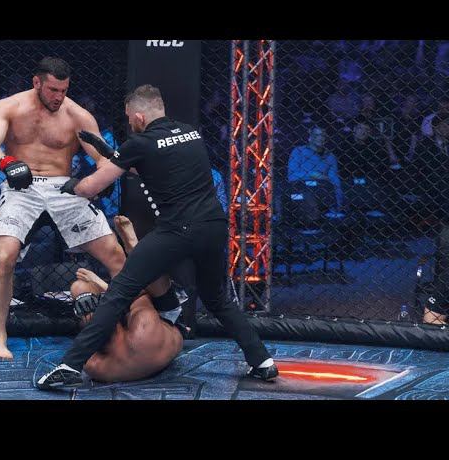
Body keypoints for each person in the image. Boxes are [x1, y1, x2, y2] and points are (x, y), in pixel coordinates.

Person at [37, 84, 277, 390]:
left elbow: (91, 188)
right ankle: (262, 361)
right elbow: (153, 167)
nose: (130, 123)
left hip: (177, 229)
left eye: (129, 118)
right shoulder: (190, 133)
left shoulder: (140, 142)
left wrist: (71, 185)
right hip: (214, 226)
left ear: (139, 116)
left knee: (119, 292)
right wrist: (111, 153)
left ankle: (70, 365)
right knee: (217, 298)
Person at [0, 57, 126, 360]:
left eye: (64, 90)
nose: (59, 97)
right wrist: (6, 163)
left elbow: (104, 159)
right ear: (37, 83)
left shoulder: (78, 116)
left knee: (115, 255)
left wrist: (96, 182)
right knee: (4, 255)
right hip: (22, 187)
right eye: (53, 90)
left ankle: (130, 323)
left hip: (64, 187)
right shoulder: (10, 107)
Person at [70, 215, 186, 383]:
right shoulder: (143, 330)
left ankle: (133, 253)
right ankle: (135, 248)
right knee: (144, 276)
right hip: (168, 321)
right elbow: (138, 291)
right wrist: (101, 284)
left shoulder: (94, 365)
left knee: (80, 289)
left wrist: (90, 295)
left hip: (131, 343)